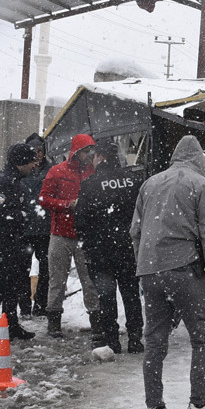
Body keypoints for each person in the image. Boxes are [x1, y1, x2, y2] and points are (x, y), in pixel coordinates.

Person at [131, 135, 205, 409]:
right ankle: (198, 404)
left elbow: (135, 231)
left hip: (150, 270)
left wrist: (145, 263)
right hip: (184, 268)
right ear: (200, 159)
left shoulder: (151, 183)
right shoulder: (200, 184)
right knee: (203, 335)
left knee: (155, 340)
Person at [74, 140, 146, 353]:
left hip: (100, 252)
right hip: (127, 250)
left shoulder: (90, 184)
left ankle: (112, 340)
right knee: (131, 296)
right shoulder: (133, 181)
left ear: (100, 157)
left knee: (106, 297)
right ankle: (135, 339)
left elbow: (80, 220)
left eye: (94, 157)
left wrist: (88, 243)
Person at [39, 133, 102, 338]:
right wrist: (66, 205)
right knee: (57, 280)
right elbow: (44, 199)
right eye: (86, 151)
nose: (89, 154)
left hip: (84, 236)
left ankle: (96, 320)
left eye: (90, 151)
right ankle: (54, 322)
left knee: (89, 281)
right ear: (76, 152)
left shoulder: (93, 172)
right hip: (61, 235)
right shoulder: (57, 172)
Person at [0, 142, 41, 341]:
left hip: (14, 241)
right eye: (31, 161)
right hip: (0, 241)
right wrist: (22, 216)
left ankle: (10, 323)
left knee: (14, 284)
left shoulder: (16, 181)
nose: (34, 166)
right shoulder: (4, 181)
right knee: (0, 284)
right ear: (20, 162)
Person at [19, 133, 52, 317]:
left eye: (40, 150)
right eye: (34, 151)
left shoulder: (51, 170)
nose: (38, 154)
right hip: (24, 227)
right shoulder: (21, 170)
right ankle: (24, 306)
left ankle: (41, 305)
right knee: (22, 267)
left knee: (46, 268)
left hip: (45, 228)